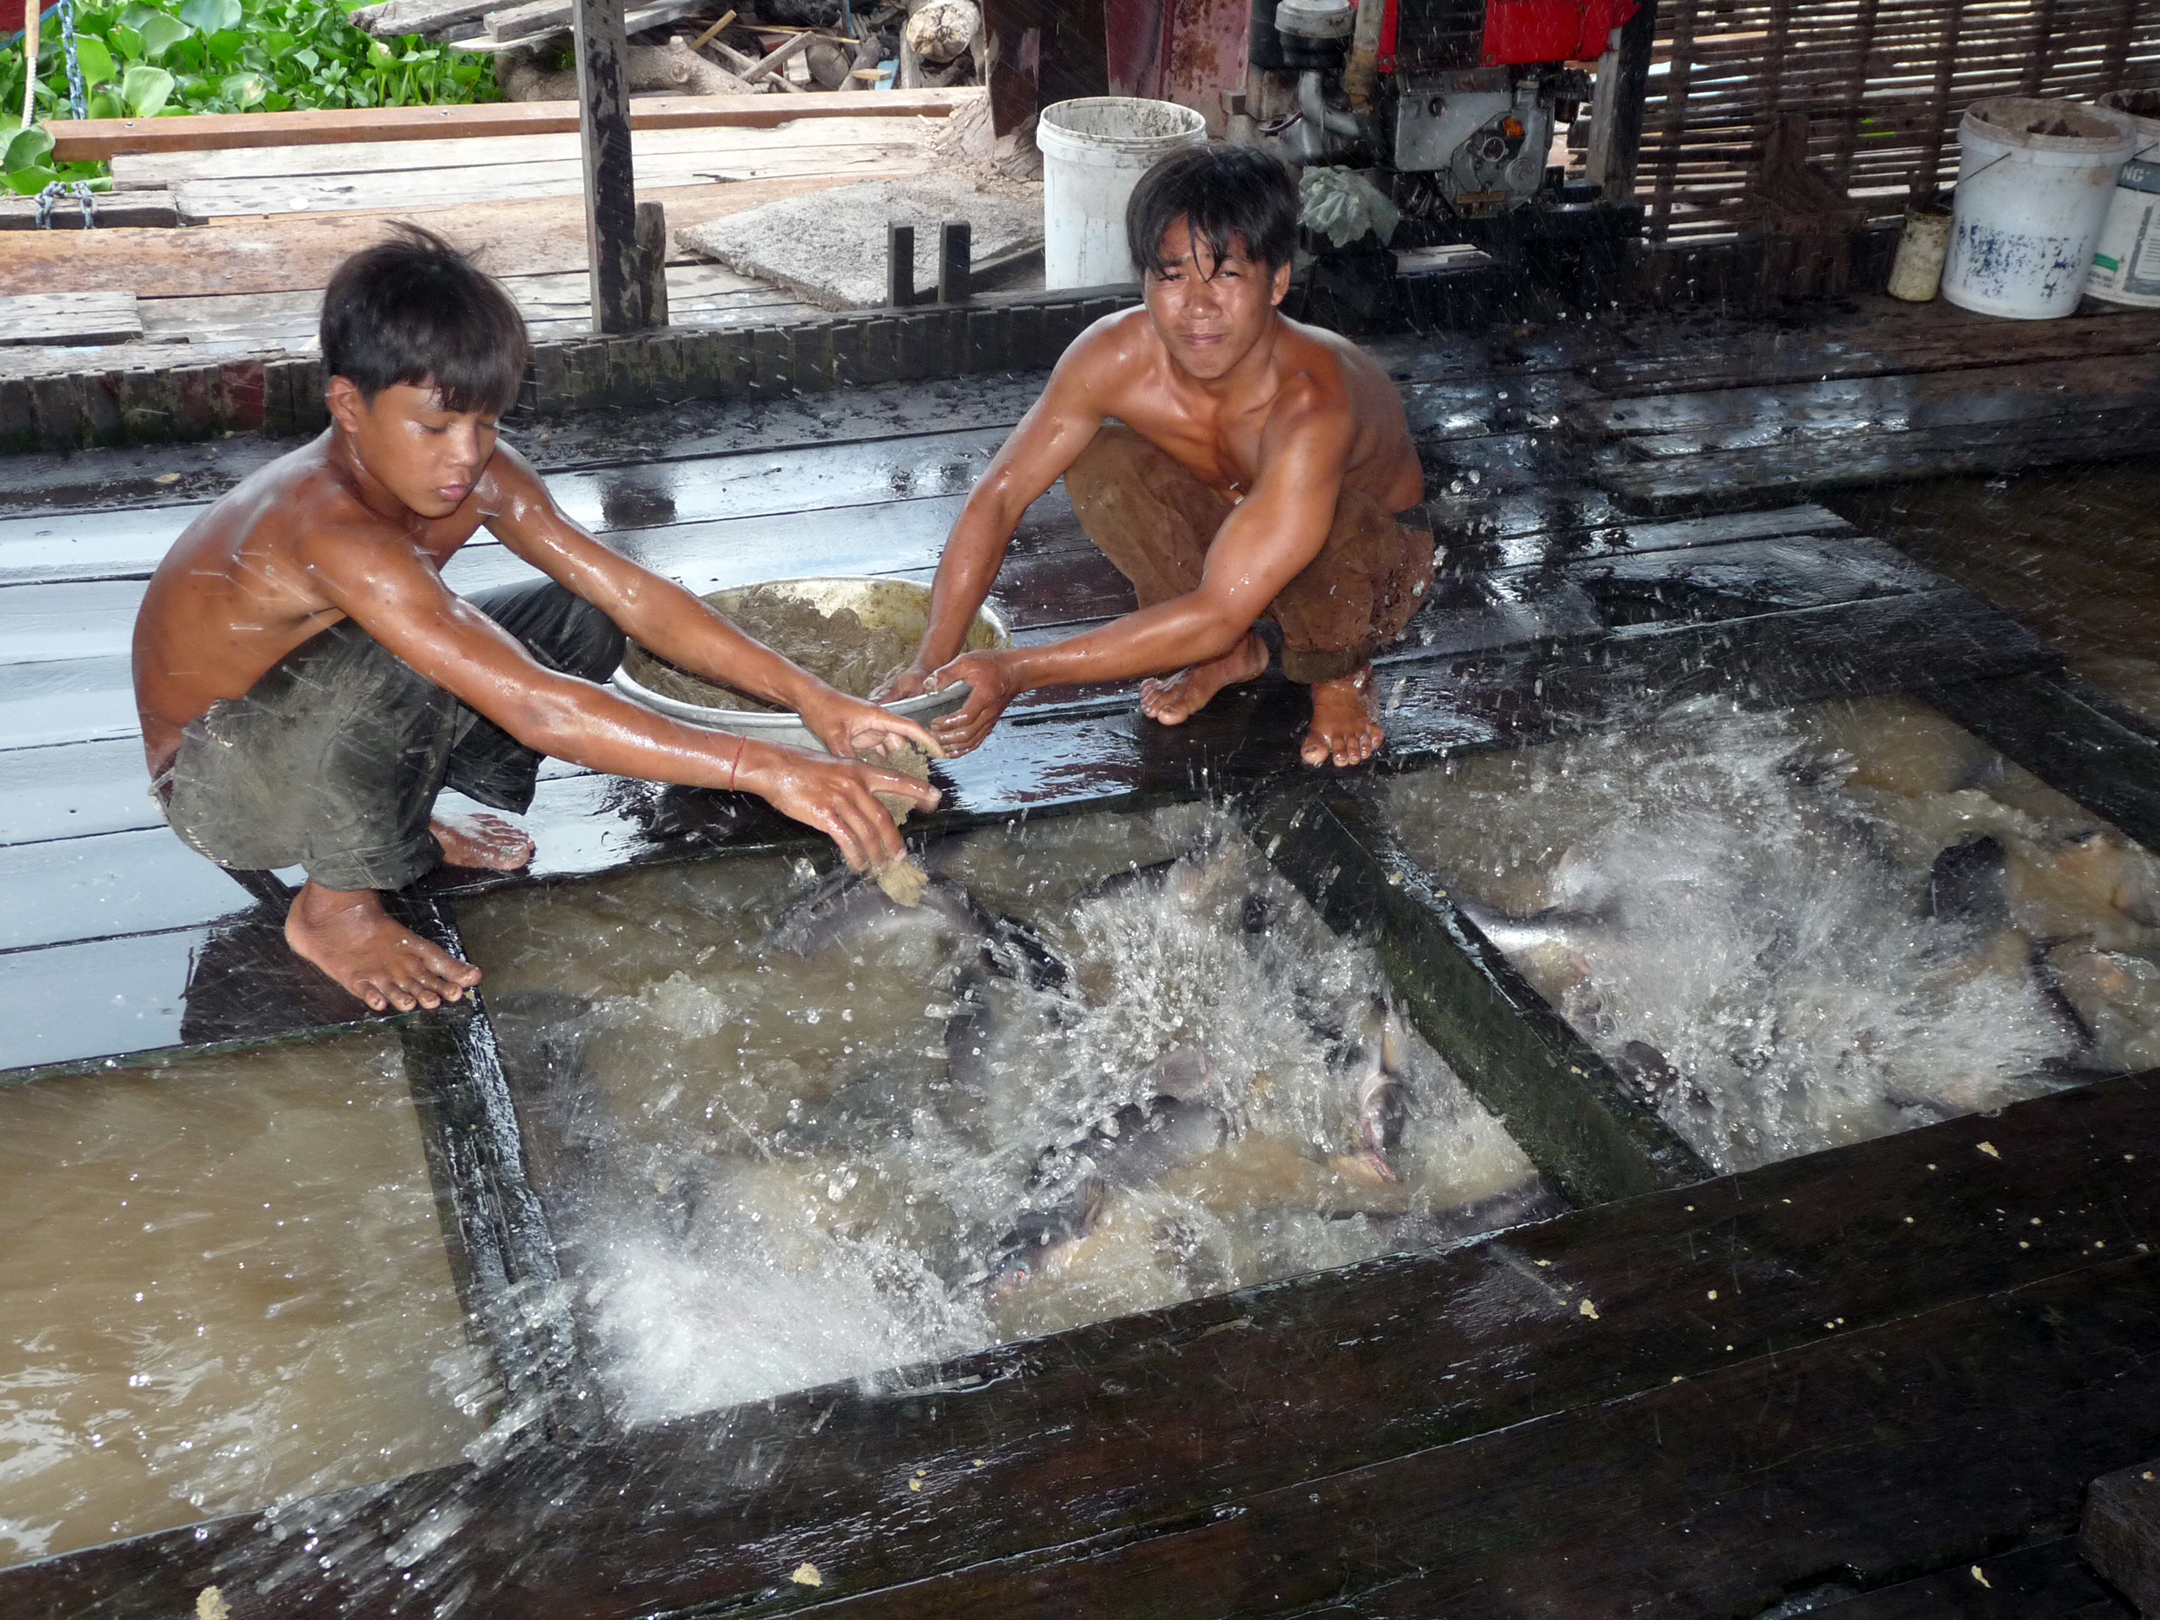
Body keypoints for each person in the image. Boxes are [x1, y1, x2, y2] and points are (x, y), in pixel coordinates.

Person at [133, 225, 939, 1017]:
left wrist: (811, 699)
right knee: (410, 652)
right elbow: (536, 707)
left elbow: (630, 594)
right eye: (436, 426)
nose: (466, 456)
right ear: (348, 404)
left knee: (581, 615)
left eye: (486, 423)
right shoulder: (326, 527)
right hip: (221, 777)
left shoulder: (477, 473)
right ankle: (333, 911)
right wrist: (768, 767)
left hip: (326, 726)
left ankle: (397, 820)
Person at [876, 144, 1431, 768]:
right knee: (1105, 465)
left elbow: (1222, 606)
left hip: (1371, 560)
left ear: (1277, 281)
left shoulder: (1312, 402)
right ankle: (1223, 655)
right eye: (1171, 275)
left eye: (1225, 275)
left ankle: (1341, 675)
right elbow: (1000, 497)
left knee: (1324, 523)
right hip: (1240, 537)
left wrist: (1015, 670)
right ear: (1144, 279)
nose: (1197, 307)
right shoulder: (1111, 358)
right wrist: (931, 664)